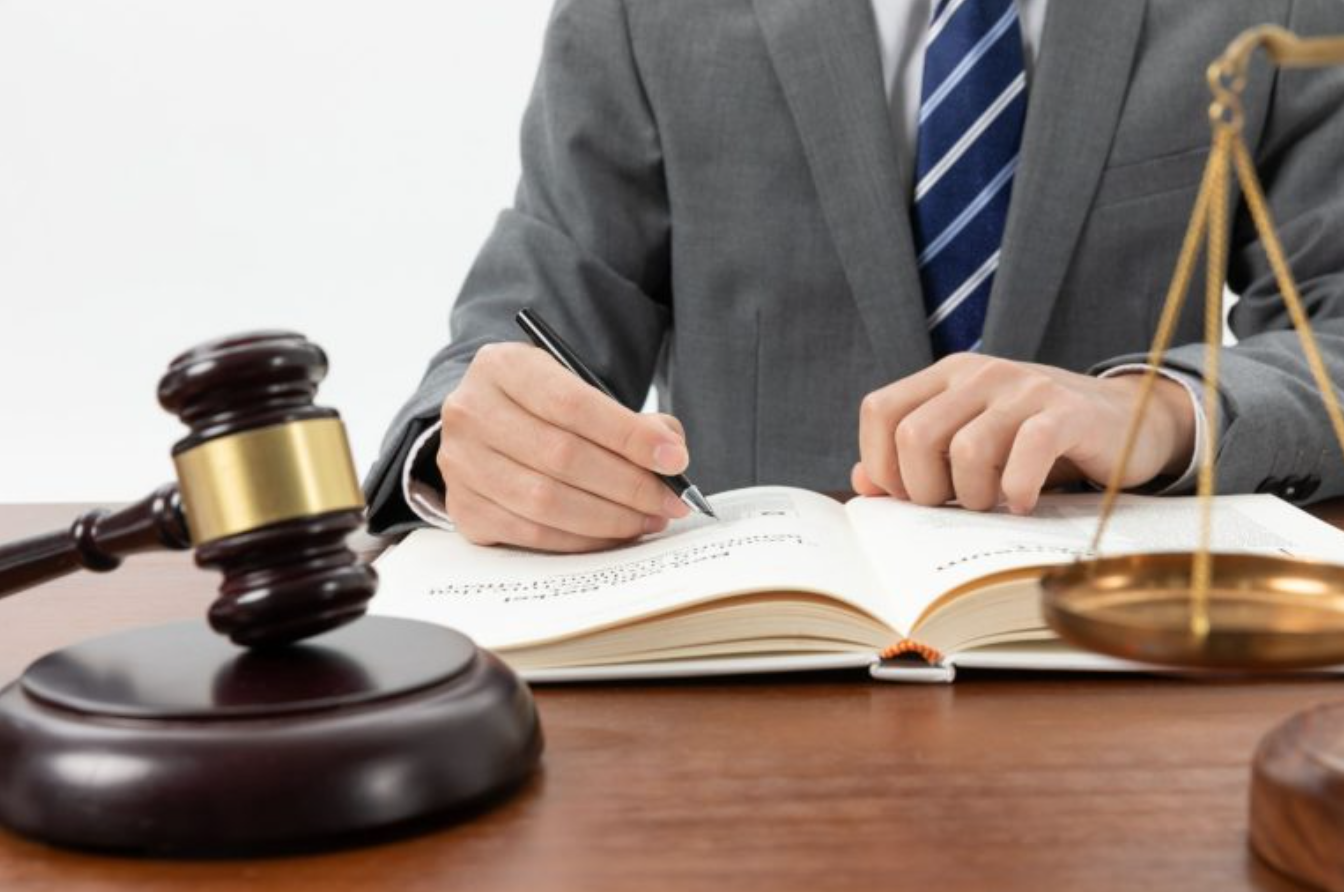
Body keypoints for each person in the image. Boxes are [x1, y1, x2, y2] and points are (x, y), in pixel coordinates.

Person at [364, 0, 1344, 552]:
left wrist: (1159, 411)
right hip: (742, 668)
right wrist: (470, 448)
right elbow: (527, 321)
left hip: (1122, 659)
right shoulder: (640, 16)